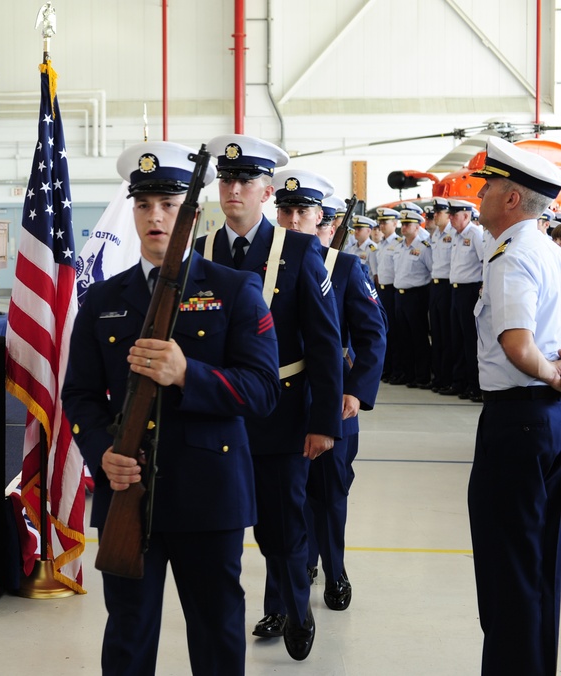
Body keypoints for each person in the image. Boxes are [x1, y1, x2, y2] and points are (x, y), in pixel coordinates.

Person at [62, 141, 281, 675]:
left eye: (168, 203)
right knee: (128, 635)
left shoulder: (235, 290)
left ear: (193, 210)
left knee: (216, 631)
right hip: (126, 493)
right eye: (143, 204)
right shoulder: (103, 300)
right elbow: (80, 396)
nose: (155, 216)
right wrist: (101, 453)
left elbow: (262, 391)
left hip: (209, 494)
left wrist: (189, 374)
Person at [198, 135, 343, 661]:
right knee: (220, 527)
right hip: (217, 413)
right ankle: (231, 617)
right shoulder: (201, 250)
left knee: (282, 524)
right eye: (226, 180)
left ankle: (295, 607)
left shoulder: (300, 251)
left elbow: (326, 343)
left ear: (265, 193)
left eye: (245, 182)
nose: (232, 190)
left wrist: (325, 421)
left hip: (282, 411)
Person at [271, 169, 386, 613]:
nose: (294, 220)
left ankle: (334, 569)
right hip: (282, 399)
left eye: (304, 212)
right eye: (286, 211)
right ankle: (295, 575)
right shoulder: (265, 266)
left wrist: (356, 392)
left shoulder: (346, 266)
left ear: (323, 219)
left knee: (330, 491)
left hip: (333, 397)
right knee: (286, 494)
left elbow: (373, 335)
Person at [467, 136, 561, 676]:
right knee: (541, 564)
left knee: (509, 569)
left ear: (510, 199)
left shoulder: (511, 256)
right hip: (546, 422)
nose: (478, 198)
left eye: (487, 188)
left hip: (517, 421)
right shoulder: (547, 250)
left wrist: (550, 374)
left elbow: (517, 344)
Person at [447, 200, 483, 402]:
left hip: (470, 291)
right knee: (457, 338)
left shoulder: (475, 234)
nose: (450, 217)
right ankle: (460, 382)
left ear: (466, 216)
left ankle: (475, 386)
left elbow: (484, 261)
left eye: (454, 214)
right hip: (456, 290)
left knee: (470, 340)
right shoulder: (456, 236)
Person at [392, 210, 432, 388]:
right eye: (403, 224)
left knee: (418, 337)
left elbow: (432, 271)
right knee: (403, 338)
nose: (404, 227)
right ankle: (407, 374)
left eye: (408, 224)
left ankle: (422, 376)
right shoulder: (399, 246)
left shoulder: (423, 246)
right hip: (399, 295)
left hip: (416, 295)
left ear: (417, 226)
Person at [427, 197, 454, 394]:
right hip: (434, 286)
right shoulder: (436, 234)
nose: (435, 216)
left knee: (448, 335)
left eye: (439, 212)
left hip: (447, 286)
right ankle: (439, 377)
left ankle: (450, 378)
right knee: (436, 334)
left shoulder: (454, 234)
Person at [375, 207, 402, 382]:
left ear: (395, 223)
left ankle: (398, 370)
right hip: (382, 291)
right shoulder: (381, 245)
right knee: (385, 332)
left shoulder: (399, 243)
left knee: (396, 334)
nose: (382, 225)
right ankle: (389, 369)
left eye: (386, 222)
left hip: (394, 291)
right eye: (381, 222)